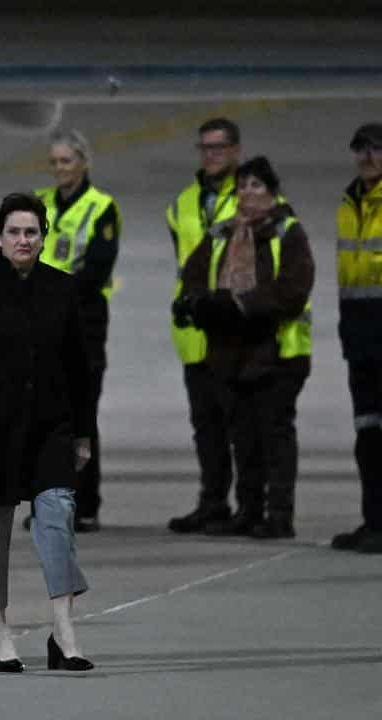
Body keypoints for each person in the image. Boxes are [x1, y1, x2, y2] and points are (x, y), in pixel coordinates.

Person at [0, 192, 95, 673]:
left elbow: (80, 369)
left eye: (32, 231)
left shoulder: (64, 289)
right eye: (14, 232)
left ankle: (63, 629)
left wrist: (83, 434)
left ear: (44, 236)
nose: (23, 240)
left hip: (51, 428)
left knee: (58, 522)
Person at [175, 157, 313, 539]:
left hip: (277, 351)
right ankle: (249, 510)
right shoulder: (222, 232)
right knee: (244, 437)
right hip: (232, 351)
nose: (248, 194)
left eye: (256, 186)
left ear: (272, 192)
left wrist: (241, 304)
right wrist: (196, 303)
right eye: (242, 187)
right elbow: (194, 273)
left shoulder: (287, 232)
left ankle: (279, 513)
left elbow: (294, 288)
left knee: (275, 436)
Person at [34, 129, 120, 532]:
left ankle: (85, 504)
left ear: (84, 162)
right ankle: (45, 501)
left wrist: (50, 292)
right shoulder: (39, 203)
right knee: (40, 415)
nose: (59, 169)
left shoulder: (102, 208)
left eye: (66, 161)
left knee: (80, 415)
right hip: (40, 326)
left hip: (83, 322)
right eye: (54, 162)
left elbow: (98, 269)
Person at [166, 118, 244, 534]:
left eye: (218, 148)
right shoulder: (182, 203)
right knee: (206, 425)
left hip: (234, 328)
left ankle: (253, 506)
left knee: (242, 425)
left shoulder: (252, 197)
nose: (211, 155)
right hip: (195, 330)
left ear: (235, 151)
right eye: (205, 148)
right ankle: (212, 501)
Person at [332, 122, 382, 553]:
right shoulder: (349, 202)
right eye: (361, 149)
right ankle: (374, 518)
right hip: (360, 332)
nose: (368, 156)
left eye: (376, 149)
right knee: (368, 435)